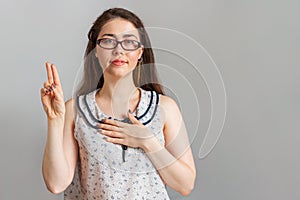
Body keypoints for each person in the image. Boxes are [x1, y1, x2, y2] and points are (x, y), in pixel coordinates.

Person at [41, 7, 196, 199]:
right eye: (108, 41)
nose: (119, 50)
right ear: (95, 51)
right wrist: (55, 121)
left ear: (140, 52)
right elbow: (56, 184)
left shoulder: (164, 108)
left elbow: (185, 184)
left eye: (129, 42)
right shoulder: (76, 110)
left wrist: (147, 141)